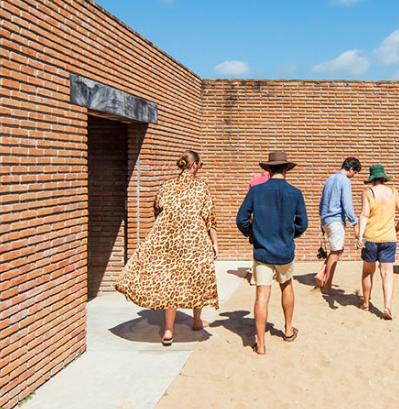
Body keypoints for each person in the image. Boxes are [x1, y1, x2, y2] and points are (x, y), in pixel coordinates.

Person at [115, 149, 219, 345]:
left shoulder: (166, 186)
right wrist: (214, 242)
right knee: (196, 277)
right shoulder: (201, 187)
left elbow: (157, 209)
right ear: (194, 165)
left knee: (171, 280)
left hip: (168, 240)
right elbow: (209, 218)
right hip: (194, 241)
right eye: (200, 165)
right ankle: (197, 321)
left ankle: (169, 330)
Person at [236, 150, 308, 354]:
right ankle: (287, 329)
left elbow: (241, 219)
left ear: (268, 168)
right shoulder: (295, 192)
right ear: (286, 169)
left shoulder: (256, 191)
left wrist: (253, 234)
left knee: (262, 293)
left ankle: (260, 343)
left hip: (262, 250)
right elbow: (303, 223)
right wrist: (290, 233)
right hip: (284, 249)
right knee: (286, 286)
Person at [356, 163, 399, 320]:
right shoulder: (393, 192)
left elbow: (364, 215)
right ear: (383, 178)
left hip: (371, 237)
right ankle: (387, 307)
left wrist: (360, 237)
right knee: (387, 274)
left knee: (367, 271)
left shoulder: (367, 192)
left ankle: (366, 303)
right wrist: (398, 226)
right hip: (389, 238)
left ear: (371, 179)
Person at [315, 156, 361, 294]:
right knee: (336, 252)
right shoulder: (344, 181)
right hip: (335, 220)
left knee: (338, 249)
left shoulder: (329, 179)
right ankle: (327, 286)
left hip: (326, 219)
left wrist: (321, 219)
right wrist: (355, 223)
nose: (354, 176)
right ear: (351, 169)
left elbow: (322, 201)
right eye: (355, 173)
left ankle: (322, 272)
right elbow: (347, 204)